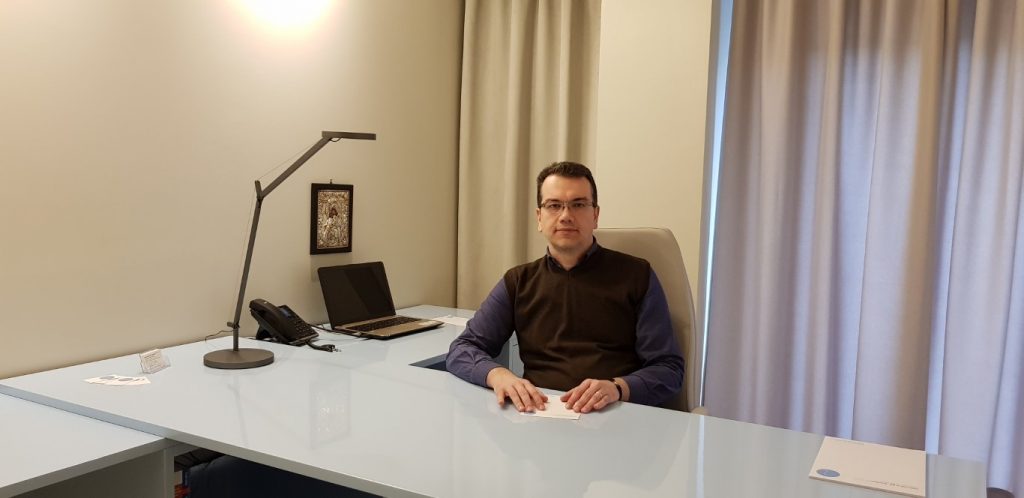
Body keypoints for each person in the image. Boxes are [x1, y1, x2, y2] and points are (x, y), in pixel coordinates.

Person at [446, 161, 685, 414]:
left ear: (595, 215)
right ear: (539, 217)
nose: (566, 216)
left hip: (616, 413)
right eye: (553, 205)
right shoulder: (518, 281)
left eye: (578, 204)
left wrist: (618, 388)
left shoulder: (637, 275)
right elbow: (462, 349)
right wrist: (497, 375)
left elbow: (668, 369)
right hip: (540, 415)